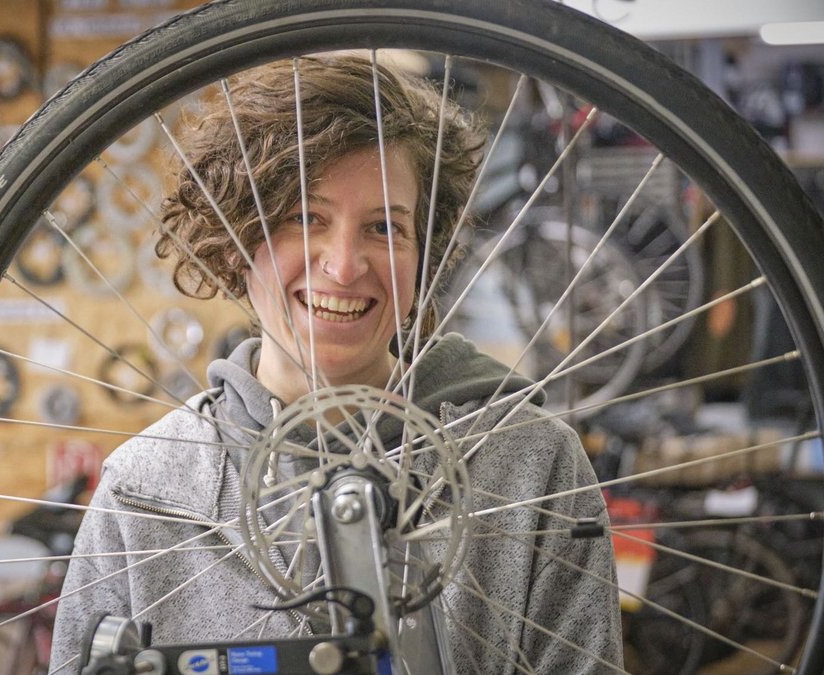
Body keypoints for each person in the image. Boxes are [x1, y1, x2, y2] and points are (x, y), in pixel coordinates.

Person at [50, 54, 623, 674]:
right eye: (305, 218)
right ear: (237, 237)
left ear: (424, 254)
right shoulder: (144, 491)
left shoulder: (533, 464)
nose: (346, 265)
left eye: (384, 227)